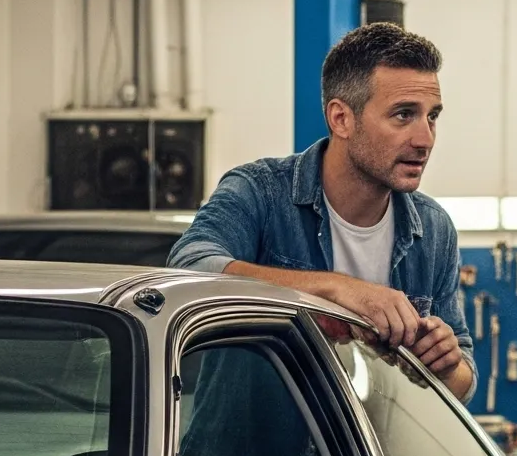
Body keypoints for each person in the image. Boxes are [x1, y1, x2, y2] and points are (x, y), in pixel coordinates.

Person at [169, 22, 474, 399]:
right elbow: (188, 268)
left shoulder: (433, 229)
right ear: (341, 118)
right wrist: (336, 289)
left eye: (432, 116)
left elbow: (463, 380)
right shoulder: (260, 193)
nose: (425, 139)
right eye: (403, 115)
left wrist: (446, 364)